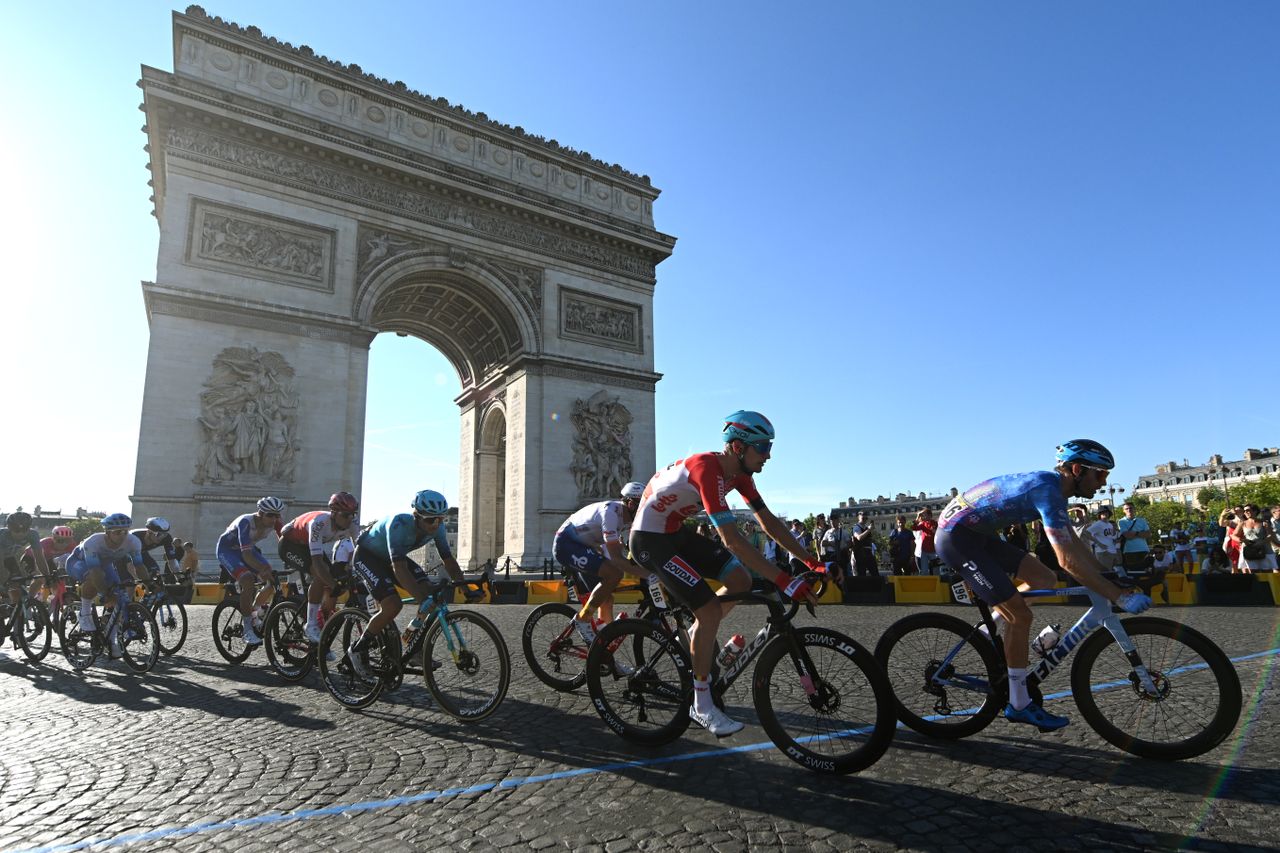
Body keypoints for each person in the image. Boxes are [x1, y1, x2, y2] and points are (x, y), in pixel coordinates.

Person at [934, 439, 1151, 731]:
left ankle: (991, 626)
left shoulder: (1055, 491)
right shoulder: (1046, 491)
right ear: (1076, 469)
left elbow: (1073, 542)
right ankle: (1019, 703)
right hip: (955, 539)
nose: (1103, 482)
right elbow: (1068, 562)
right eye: (1100, 475)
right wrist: (1118, 597)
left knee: (1044, 579)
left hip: (978, 535)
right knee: (1021, 616)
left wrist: (1106, 574)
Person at [629, 411, 819, 737]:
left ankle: (696, 634)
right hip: (649, 539)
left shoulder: (740, 474)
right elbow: (732, 540)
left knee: (740, 580)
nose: (768, 454)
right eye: (761, 446)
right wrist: (784, 580)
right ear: (736, 447)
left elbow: (768, 522)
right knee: (708, 610)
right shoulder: (706, 468)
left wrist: (811, 562)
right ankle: (701, 705)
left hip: (675, 532)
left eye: (769, 446)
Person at [345, 490, 480, 678]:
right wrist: (422, 599)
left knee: (432, 597)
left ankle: (414, 647)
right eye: (431, 520)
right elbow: (399, 568)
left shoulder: (438, 528)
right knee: (393, 604)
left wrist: (465, 588)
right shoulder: (399, 524)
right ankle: (358, 648)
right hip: (367, 557)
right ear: (416, 516)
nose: (436, 525)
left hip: (392, 559)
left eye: (440, 519)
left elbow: (449, 560)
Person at [553, 482, 648, 643]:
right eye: (642, 506)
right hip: (566, 544)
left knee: (607, 597)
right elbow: (617, 559)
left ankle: (604, 649)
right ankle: (583, 619)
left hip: (588, 546)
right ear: (631, 504)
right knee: (615, 574)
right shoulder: (610, 513)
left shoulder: (628, 516)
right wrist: (649, 573)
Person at [278, 492, 362, 643]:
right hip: (290, 544)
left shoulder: (352, 523)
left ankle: (321, 625)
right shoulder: (319, 523)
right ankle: (311, 626)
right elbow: (317, 563)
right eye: (345, 515)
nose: (350, 519)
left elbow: (360, 550)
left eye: (352, 514)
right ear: (334, 513)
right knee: (320, 575)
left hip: (307, 547)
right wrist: (332, 583)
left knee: (333, 582)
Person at [64, 514, 144, 656]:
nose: (123, 535)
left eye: (125, 531)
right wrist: (105, 594)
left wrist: (150, 583)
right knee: (95, 579)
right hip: (78, 563)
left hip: (105, 566)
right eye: (118, 532)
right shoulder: (94, 542)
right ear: (107, 532)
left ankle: (110, 642)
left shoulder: (133, 542)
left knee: (119, 598)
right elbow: (95, 572)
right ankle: (85, 613)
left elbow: (139, 566)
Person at [215, 497, 286, 646]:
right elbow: (246, 555)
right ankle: (247, 630)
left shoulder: (276, 523)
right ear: (260, 513)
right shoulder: (245, 522)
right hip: (227, 551)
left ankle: (253, 613)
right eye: (270, 515)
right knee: (248, 580)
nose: (274, 519)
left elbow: (286, 543)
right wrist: (261, 570)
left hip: (247, 549)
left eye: (277, 515)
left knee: (272, 579)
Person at [1, 511, 49, 611]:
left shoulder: (33, 534)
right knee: (5, 582)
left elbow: (39, 557)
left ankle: (21, 608)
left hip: (10, 557)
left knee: (20, 582)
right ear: (9, 528)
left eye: (25, 530)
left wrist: (46, 576)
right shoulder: (2, 535)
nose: (21, 533)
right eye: (17, 531)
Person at [21, 524, 78, 601]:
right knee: (40, 578)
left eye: (68, 540)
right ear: (53, 538)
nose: (64, 544)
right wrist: (43, 576)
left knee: (55, 579)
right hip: (30, 558)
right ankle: (29, 599)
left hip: (47, 560)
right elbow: (38, 561)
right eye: (60, 540)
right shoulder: (45, 544)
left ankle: (56, 600)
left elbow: (76, 559)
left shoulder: (72, 545)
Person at [129, 517, 187, 588]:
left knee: (155, 574)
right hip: (122, 554)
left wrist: (179, 577)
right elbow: (136, 566)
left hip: (142, 552)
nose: (162, 537)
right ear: (149, 532)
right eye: (159, 534)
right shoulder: (134, 537)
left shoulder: (166, 538)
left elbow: (172, 560)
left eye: (164, 534)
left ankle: (150, 596)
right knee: (130, 581)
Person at [1231, 504, 1277, 572]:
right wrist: (1242, 540)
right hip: (1250, 550)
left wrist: (1262, 542)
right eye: (1244, 511)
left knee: (1267, 572)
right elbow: (1233, 535)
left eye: (1248, 510)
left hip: (1264, 549)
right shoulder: (1243, 523)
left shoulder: (1264, 522)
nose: (1245, 512)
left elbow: (1271, 535)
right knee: (1253, 573)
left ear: (1255, 511)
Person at [1117, 502, 1151, 575]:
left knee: (1145, 572)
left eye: (1131, 508)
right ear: (1123, 511)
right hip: (1130, 551)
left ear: (1134, 509)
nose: (1129, 510)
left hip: (1143, 549)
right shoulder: (1121, 521)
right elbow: (1127, 536)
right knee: (1133, 573)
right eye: (1126, 509)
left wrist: (1135, 533)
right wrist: (1141, 533)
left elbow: (1148, 534)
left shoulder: (1142, 520)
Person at [850, 511, 877, 578]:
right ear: (858, 517)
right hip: (860, 554)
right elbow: (859, 537)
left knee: (875, 573)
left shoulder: (866, 527)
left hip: (868, 553)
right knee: (861, 575)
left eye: (866, 518)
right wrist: (868, 530)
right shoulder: (856, 527)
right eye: (863, 518)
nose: (865, 520)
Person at [914, 508, 938, 575]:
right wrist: (918, 517)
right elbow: (913, 528)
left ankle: (936, 583)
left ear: (930, 515)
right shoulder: (923, 524)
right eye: (923, 515)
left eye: (924, 515)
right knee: (924, 571)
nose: (923, 517)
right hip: (924, 550)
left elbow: (936, 532)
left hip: (933, 550)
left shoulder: (935, 523)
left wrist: (934, 531)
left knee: (935, 570)